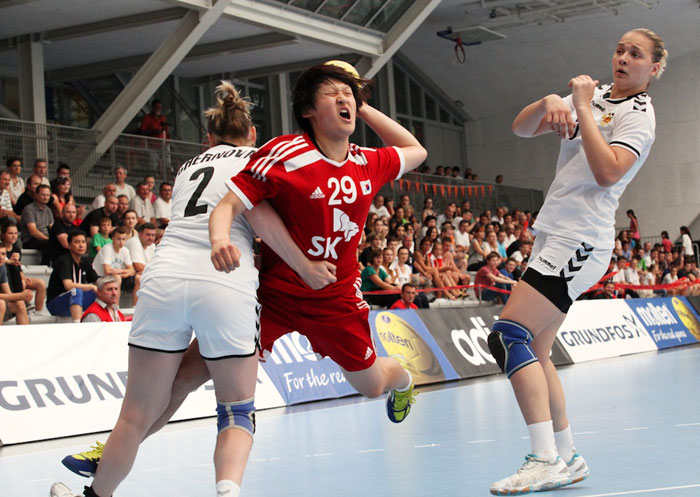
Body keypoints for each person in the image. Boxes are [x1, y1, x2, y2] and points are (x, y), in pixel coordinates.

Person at [52, 80, 336, 497]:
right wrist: (306, 266)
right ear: (253, 134)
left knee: (134, 415)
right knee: (236, 411)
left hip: (164, 276)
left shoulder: (189, 166)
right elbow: (261, 218)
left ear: (208, 139)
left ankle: (97, 493)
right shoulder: (260, 159)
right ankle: (226, 491)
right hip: (225, 276)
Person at [487, 29, 666, 495]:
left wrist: (582, 108)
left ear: (655, 69)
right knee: (537, 352)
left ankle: (543, 457)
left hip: (581, 238)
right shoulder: (596, 94)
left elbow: (607, 172)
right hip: (554, 231)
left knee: (507, 336)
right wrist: (551, 100)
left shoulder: (638, 117)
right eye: (620, 49)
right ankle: (568, 457)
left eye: (636, 54)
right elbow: (521, 128)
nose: (623, 58)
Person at [210, 62, 426, 422]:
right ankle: (121, 441)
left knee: (371, 385)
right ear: (308, 110)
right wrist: (221, 240)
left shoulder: (366, 162)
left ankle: (403, 382)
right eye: (332, 93)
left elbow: (415, 149)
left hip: (336, 297)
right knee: (199, 365)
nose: (344, 100)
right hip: (275, 295)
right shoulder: (285, 154)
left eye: (348, 95)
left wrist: (361, 101)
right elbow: (239, 205)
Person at [46, 231, 98, 321]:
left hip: (76, 301)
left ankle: (113, 319)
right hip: (56, 303)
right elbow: (68, 285)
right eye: (77, 242)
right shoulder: (64, 261)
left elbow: (97, 280)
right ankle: (77, 325)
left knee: (104, 290)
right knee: (76, 291)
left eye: (83, 242)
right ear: (69, 245)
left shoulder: (84, 261)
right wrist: (91, 286)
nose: (81, 245)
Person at [1, 221, 47, 316]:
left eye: (15, 233)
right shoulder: (1, 248)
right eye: (10, 233)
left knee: (40, 283)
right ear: (3, 234)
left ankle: (37, 312)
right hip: (7, 279)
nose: (14, 236)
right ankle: (23, 301)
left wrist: (24, 278)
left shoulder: (17, 248)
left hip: (16, 276)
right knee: (19, 279)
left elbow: (19, 268)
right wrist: (8, 261)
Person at [19, 184, 54, 265]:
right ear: (36, 195)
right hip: (30, 240)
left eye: (48, 195)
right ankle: (45, 266)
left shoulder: (48, 210)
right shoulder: (29, 209)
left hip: (45, 239)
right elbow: (33, 232)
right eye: (43, 195)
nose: (46, 197)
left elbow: (52, 227)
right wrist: (49, 239)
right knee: (49, 244)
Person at [0, 244, 33, 325]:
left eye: (3, 254)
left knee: (20, 304)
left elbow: (8, 294)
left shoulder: (2, 267)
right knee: (1, 304)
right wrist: (20, 295)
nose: (0, 257)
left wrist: (24, 296)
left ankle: (26, 336)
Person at [125, 222, 157, 303]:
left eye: (153, 235)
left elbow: (157, 266)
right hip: (126, 275)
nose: (151, 238)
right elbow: (137, 266)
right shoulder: (134, 242)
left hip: (142, 273)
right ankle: (135, 308)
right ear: (140, 234)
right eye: (148, 235)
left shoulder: (152, 245)